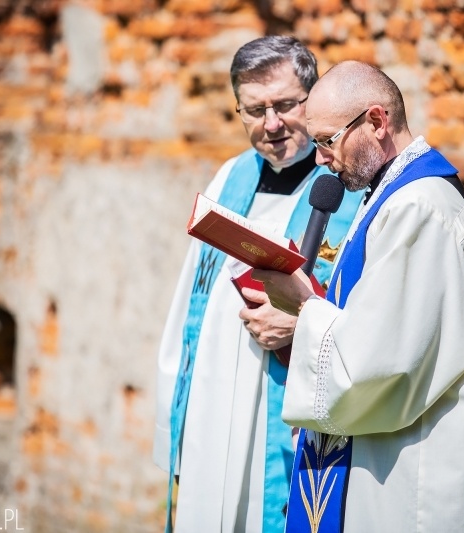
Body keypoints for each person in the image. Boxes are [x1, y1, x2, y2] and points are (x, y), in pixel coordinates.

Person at [253, 61, 464, 532]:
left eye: (326, 140)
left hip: (403, 473)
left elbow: (375, 367)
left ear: (378, 122)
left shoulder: (419, 208)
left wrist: (303, 304)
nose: (319, 159)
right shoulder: (390, 197)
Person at [153, 38, 364, 532]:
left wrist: (303, 324)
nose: (271, 124)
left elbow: (373, 316)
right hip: (210, 408)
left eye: (286, 105)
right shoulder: (230, 177)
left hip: (284, 422)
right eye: (254, 110)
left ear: (312, 100)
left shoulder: (348, 188)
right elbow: (189, 301)